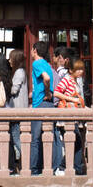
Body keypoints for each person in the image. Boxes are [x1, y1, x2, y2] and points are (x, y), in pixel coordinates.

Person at [29, 40, 63, 175]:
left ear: (35, 50)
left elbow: (47, 78)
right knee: (51, 136)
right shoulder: (48, 65)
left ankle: (34, 169)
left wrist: (47, 92)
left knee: (35, 139)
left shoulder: (37, 63)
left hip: (40, 104)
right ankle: (54, 166)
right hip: (49, 104)